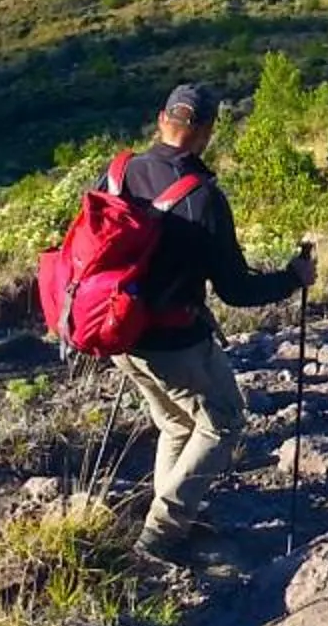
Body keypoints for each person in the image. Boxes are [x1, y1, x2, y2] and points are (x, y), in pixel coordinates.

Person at [110, 82, 317, 560]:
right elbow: (235, 290)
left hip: (120, 334)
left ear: (162, 119)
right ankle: (161, 534)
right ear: (205, 132)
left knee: (178, 425)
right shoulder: (202, 198)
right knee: (223, 421)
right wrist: (291, 278)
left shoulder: (120, 173)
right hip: (176, 341)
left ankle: (174, 521)